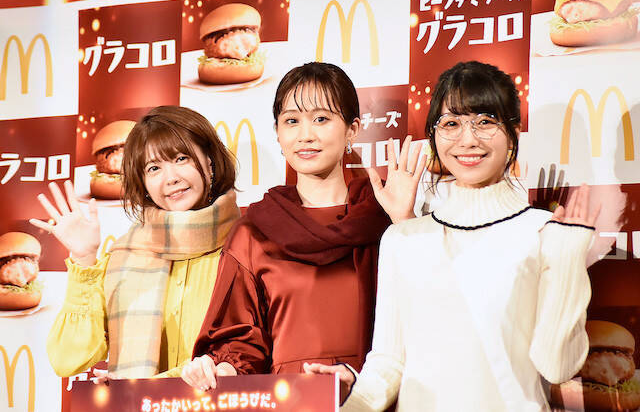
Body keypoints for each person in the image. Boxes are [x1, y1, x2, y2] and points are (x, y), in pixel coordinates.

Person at [307, 61, 600, 411]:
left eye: (485, 122)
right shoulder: (402, 239)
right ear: (433, 135)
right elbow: (388, 362)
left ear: (513, 133)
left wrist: (566, 260)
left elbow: (557, 367)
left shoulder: (543, 231)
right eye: (451, 124)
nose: (468, 139)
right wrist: (354, 403)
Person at [180, 62, 427, 391]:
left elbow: (427, 317)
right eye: (292, 121)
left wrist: (403, 223)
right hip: (287, 401)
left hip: (372, 399)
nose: (306, 135)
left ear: (352, 129)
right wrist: (222, 369)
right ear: (278, 133)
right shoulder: (253, 232)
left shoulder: (383, 218)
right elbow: (241, 342)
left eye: (321, 119)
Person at [30, 105, 240, 379]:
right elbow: (67, 359)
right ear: (143, 183)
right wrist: (84, 259)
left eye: (181, 159)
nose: (171, 178)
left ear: (209, 162)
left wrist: (140, 386)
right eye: (154, 168)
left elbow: (256, 350)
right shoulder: (124, 256)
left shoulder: (246, 246)